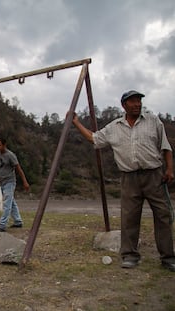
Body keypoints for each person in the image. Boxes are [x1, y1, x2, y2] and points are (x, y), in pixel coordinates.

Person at [69, 90, 175, 271]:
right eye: (132, 101)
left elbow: (166, 147)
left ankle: (168, 257)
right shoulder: (114, 127)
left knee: (163, 216)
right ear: (124, 105)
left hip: (154, 175)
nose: (137, 104)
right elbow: (93, 139)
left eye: (139, 101)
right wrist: (77, 123)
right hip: (129, 177)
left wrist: (170, 169)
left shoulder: (153, 121)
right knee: (129, 217)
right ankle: (130, 255)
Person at [0, 137, 30, 232]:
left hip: (10, 182)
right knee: (11, 202)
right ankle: (18, 221)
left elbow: (19, 169)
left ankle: (2, 225)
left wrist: (25, 182)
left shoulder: (10, 155)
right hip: (2, 182)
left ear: (4, 145)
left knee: (6, 204)